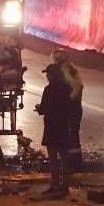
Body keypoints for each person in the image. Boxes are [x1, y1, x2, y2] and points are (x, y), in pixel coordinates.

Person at [35, 63, 74, 195]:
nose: (46, 76)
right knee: (64, 156)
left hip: (51, 125)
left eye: (47, 74)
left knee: (52, 157)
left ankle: (55, 184)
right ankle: (65, 185)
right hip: (63, 125)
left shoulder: (49, 89)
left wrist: (39, 108)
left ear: (52, 75)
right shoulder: (66, 88)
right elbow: (70, 108)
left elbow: (43, 109)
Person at [51, 49, 84, 171]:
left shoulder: (69, 71)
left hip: (72, 108)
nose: (56, 61)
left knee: (71, 135)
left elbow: (77, 87)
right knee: (69, 135)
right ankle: (71, 162)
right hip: (69, 108)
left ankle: (73, 164)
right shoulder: (65, 70)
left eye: (57, 59)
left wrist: (68, 101)